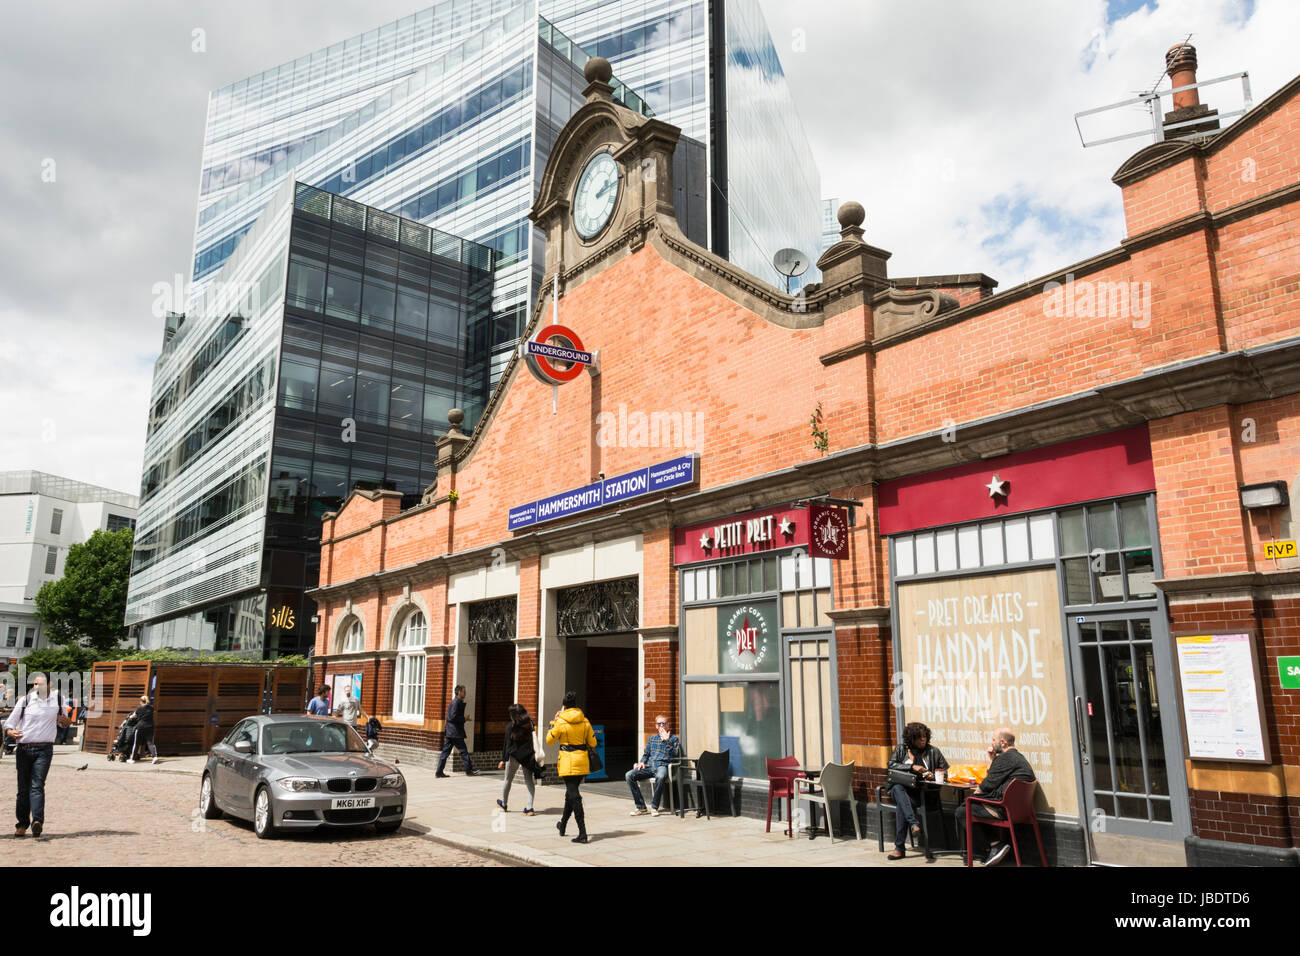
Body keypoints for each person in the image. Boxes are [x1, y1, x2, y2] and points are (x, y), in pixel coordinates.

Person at [955, 727, 1037, 866]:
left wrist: (974, 796)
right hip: (1021, 811)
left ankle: (994, 845)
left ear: (1003, 743)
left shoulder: (1005, 758)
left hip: (1003, 809)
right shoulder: (1018, 757)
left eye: (994, 740)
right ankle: (995, 847)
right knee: (968, 805)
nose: (992, 743)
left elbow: (987, 785)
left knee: (962, 810)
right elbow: (995, 778)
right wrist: (993, 759)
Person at [3, 673, 71, 837]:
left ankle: (37, 822)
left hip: (44, 749)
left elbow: (65, 722)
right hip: (24, 749)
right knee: (23, 789)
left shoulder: (58, 700)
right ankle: (22, 824)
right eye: (34, 684)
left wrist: (65, 721)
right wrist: (11, 732)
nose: (36, 687)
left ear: (49, 685)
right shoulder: (26, 700)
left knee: (37, 785)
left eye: (39, 684)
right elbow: (9, 724)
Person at [885, 721, 949, 860]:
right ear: (911, 738)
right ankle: (913, 823)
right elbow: (891, 765)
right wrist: (912, 767)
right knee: (897, 788)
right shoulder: (901, 750)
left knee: (902, 805)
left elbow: (945, 772)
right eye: (919, 737)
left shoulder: (933, 751)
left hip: (923, 794)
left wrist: (934, 775)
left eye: (925, 736)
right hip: (902, 792)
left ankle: (900, 847)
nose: (923, 739)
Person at [546, 690, 597, 844]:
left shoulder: (560, 721)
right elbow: (593, 743)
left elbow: (549, 740)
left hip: (568, 762)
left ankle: (582, 833)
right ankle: (562, 825)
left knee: (574, 796)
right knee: (570, 795)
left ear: (564, 707)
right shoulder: (585, 720)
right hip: (581, 761)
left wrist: (554, 722)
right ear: (575, 706)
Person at [625, 714, 680, 816]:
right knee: (629, 775)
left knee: (661, 776)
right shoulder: (652, 739)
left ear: (668, 725)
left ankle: (654, 807)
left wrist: (667, 741)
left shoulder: (673, 739)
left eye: (664, 724)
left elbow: (674, 756)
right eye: (659, 724)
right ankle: (641, 807)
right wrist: (642, 762)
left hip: (662, 766)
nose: (661, 726)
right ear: (656, 726)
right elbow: (646, 754)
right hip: (650, 766)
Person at [496, 703, 544, 815]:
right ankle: (529, 807)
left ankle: (504, 803)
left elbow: (507, 745)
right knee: (529, 781)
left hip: (513, 756)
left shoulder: (510, 726)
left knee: (508, 780)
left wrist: (503, 759)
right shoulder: (530, 724)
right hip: (527, 756)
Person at [435, 684, 476, 777]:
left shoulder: (457, 702)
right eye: (464, 691)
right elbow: (452, 717)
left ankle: (439, 772)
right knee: (464, 752)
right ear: (459, 692)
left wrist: (464, 718)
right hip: (455, 732)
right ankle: (469, 771)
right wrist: (464, 718)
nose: (465, 693)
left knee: (445, 753)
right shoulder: (456, 702)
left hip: (451, 732)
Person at [126, 695, 158, 765]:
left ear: (141, 701)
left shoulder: (139, 708)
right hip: (150, 727)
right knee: (150, 743)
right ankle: (155, 757)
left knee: (136, 743)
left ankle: (132, 759)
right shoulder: (151, 708)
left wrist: (130, 717)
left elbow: (133, 715)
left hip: (141, 727)